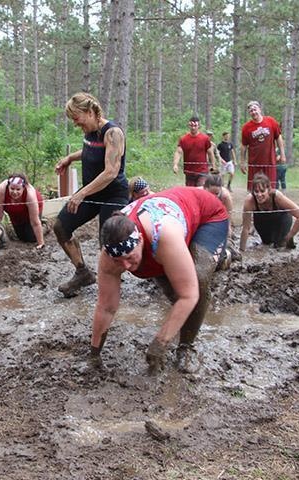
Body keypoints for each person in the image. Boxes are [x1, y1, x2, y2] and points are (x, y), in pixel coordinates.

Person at [89, 187, 230, 373]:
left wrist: (159, 343)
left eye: (130, 258)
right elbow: (106, 306)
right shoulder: (109, 257)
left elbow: (189, 296)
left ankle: (186, 348)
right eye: (118, 261)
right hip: (169, 235)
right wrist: (94, 354)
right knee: (174, 291)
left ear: (140, 239)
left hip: (208, 217)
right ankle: (205, 257)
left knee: (197, 279)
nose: (126, 267)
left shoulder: (163, 236)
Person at [54, 92, 129, 298]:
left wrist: (81, 193)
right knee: (61, 226)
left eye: (77, 119)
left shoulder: (113, 133)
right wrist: (70, 158)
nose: (76, 124)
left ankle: (110, 289)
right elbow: (90, 151)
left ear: (90, 112)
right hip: (92, 191)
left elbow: (111, 171)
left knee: (106, 244)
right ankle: (82, 273)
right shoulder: (89, 131)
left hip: (114, 194)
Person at [239, 172, 299, 251]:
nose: (259, 195)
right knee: (266, 243)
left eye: (262, 191)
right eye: (256, 191)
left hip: (281, 220)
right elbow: (246, 228)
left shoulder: (277, 197)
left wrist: (289, 236)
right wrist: (242, 250)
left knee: (279, 245)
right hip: (262, 222)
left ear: (268, 190)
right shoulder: (249, 201)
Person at [240, 100, 286, 190]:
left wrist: (282, 154)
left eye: (255, 109)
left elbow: (278, 138)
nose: (253, 112)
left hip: (269, 162)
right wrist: (242, 162)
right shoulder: (246, 128)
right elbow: (244, 145)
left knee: (270, 189)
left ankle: (270, 204)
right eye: (251, 111)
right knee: (253, 190)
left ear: (259, 109)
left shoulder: (270, 121)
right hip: (254, 164)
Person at [0, 173, 45, 249]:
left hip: (31, 210)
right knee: (21, 237)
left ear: (23, 188)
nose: (15, 192)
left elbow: (35, 222)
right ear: (8, 187)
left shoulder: (30, 195)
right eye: (12, 189)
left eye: (18, 189)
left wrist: (41, 243)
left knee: (31, 238)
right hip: (13, 210)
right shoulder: (1, 191)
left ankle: (45, 225)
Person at [203, 173, 240, 262]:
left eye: (216, 194)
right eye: (211, 194)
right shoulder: (199, 193)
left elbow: (228, 222)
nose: (214, 197)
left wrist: (227, 238)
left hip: (220, 218)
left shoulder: (225, 197)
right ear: (205, 188)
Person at [172, 116, 218, 187]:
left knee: (200, 189)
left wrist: (213, 166)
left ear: (198, 126)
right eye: (191, 125)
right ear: (189, 126)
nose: (193, 128)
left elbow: (210, 153)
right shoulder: (183, 139)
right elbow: (178, 152)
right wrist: (175, 164)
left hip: (202, 171)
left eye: (195, 126)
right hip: (189, 172)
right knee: (191, 192)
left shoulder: (205, 139)